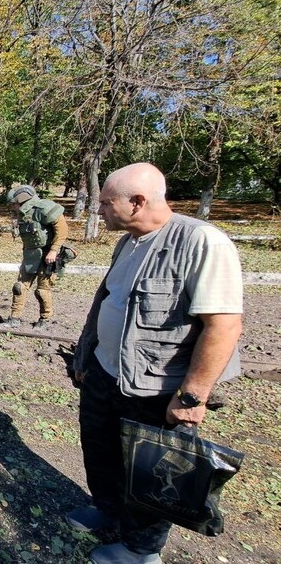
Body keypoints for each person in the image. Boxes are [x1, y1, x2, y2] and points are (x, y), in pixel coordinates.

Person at [68, 163, 244, 564]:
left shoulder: (202, 242)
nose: (100, 212)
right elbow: (108, 302)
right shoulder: (128, 241)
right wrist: (86, 356)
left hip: (156, 387)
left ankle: (140, 551)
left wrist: (191, 396)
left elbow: (223, 326)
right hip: (104, 373)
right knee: (100, 451)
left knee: (150, 470)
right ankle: (108, 510)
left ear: (137, 201)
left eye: (106, 204)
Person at [0, 185, 69, 330]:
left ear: (21, 200)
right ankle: (14, 318)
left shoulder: (44, 208)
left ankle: (45, 320)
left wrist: (54, 251)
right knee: (19, 287)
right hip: (31, 256)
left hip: (49, 256)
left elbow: (63, 230)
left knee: (42, 290)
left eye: (14, 203)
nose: (13, 206)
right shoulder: (23, 213)